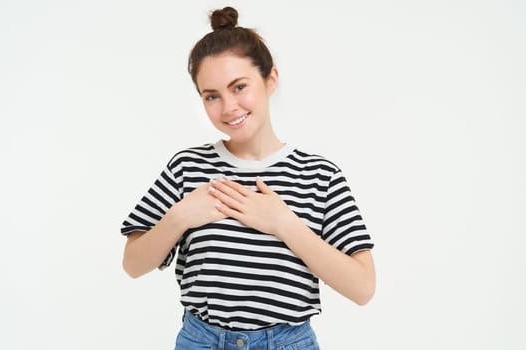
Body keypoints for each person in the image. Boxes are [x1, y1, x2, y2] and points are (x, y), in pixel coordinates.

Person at [120, 6, 375, 350]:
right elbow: (133, 264)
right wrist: (180, 217)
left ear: (270, 80)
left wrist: (284, 224)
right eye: (212, 96)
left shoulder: (320, 175)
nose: (228, 108)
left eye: (239, 87)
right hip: (201, 341)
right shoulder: (187, 167)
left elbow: (363, 287)